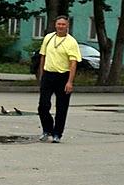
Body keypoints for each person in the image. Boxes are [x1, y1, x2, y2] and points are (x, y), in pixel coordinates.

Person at [37, 15, 82, 143]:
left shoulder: (71, 42)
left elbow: (73, 63)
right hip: (48, 75)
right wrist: (42, 74)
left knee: (61, 107)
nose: (61, 26)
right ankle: (47, 129)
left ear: (67, 26)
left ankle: (57, 133)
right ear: (55, 25)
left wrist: (70, 81)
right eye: (59, 24)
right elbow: (43, 56)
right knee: (43, 106)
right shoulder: (48, 38)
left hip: (63, 76)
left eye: (63, 24)